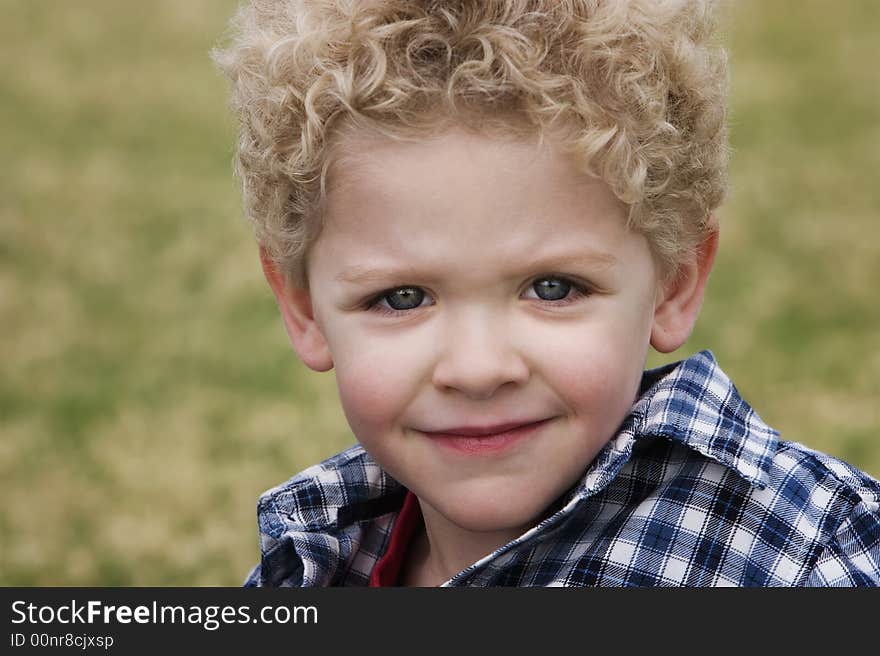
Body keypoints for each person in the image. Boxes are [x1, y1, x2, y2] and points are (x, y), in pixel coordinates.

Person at [213, 0, 880, 586]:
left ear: (675, 279)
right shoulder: (315, 561)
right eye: (402, 297)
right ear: (302, 307)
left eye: (553, 288)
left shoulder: (811, 564)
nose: (478, 369)